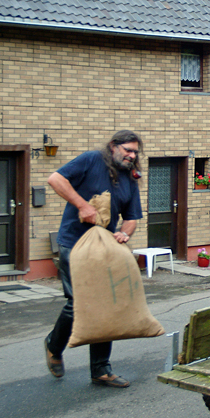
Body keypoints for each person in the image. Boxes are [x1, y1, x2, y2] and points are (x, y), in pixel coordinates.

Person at [44, 130, 144, 388]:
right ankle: (54, 345)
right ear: (113, 146)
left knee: (105, 304)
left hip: (103, 248)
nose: (132, 156)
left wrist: (124, 233)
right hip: (74, 243)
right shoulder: (91, 160)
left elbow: (131, 218)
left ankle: (100, 369)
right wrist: (82, 205)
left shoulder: (130, 179)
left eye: (135, 152)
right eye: (128, 150)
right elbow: (55, 179)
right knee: (78, 302)